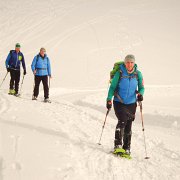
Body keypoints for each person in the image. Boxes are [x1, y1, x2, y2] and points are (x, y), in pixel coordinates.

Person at [106, 54, 144, 156]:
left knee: (128, 125)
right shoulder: (119, 73)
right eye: (127, 62)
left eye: (131, 62)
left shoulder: (138, 74)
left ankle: (127, 148)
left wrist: (140, 94)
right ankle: (117, 145)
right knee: (122, 120)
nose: (129, 64)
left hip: (131, 104)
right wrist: (109, 99)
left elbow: (141, 87)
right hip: (119, 102)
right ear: (125, 63)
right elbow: (112, 87)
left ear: (134, 63)